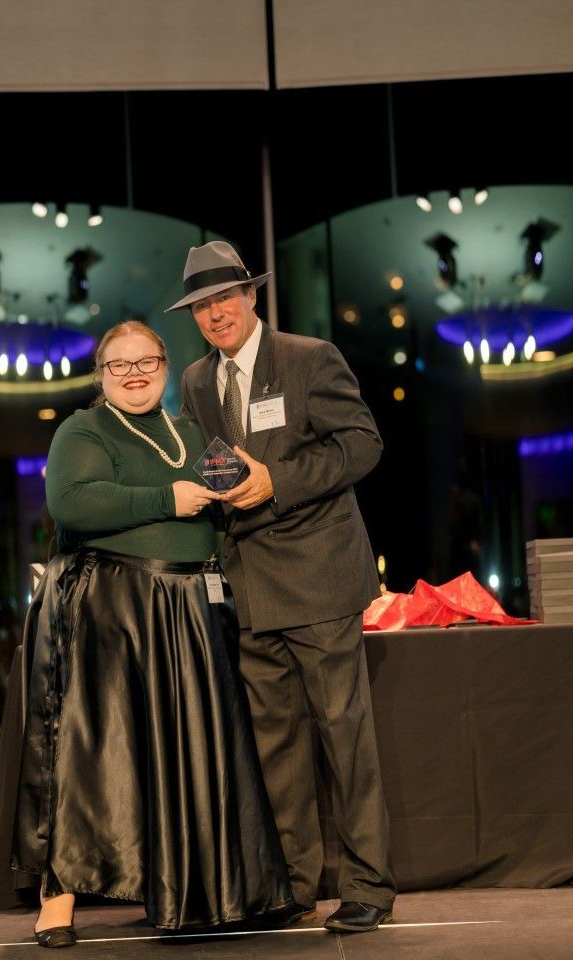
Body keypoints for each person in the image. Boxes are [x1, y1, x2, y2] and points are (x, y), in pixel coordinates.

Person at [11, 320, 294, 947]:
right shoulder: (82, 430)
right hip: (111, 610)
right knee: (92, 759)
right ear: (102, 374)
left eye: (147, 361)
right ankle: (56, 897)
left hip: (189, 609)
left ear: (165, 366)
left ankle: (199, 890)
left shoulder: (190, 432)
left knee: (184, 754)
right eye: (120, 364)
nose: (135, 373)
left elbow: (228, 505)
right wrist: (170, 498)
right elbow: (75, 503)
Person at [166, 241, 396, 934]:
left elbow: (362, 445)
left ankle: (368, 886)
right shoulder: (198, 381)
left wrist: (278, 483)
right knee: (277, 746)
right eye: (202, 305)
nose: (215, 313)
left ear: (252, 296)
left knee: (343, 736)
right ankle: (295, 884)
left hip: (319, 577)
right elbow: (219, 465)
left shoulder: (308, 357)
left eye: (224, 299)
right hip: (250, 585)